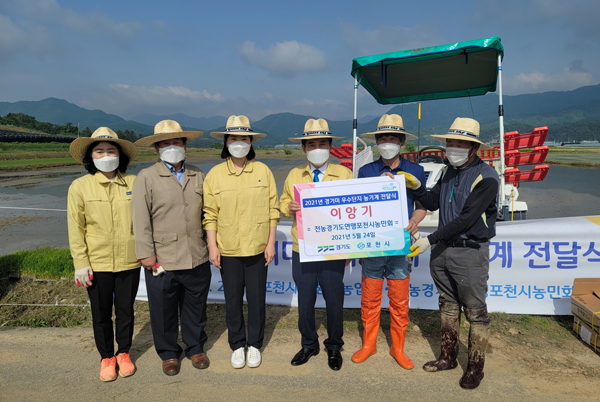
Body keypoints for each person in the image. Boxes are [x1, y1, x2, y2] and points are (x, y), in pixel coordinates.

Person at [407, 117, 499, 389]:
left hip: (469, 252)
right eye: (450, 143)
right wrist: (416, 187)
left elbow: (467, 219)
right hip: (443, 251)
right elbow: (433, 202)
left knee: (475, 312)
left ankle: (475, 367)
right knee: (447, 304)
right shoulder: (448, 171)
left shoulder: (487, 177)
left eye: (460, 143)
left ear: (473, 147)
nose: (453, 148)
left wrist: (429, 239)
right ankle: (447, 356)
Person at [131, 120, 210, 376]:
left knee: (195, 306)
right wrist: (146, 253)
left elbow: (208, 213)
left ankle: (195, 347)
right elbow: (140, 218)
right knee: (163, 310)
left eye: (176, 142)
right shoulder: (147, 177)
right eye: (165, 143)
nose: (172, 147)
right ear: (157, 149)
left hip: (196, 254)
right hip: (161, 258)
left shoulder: (198, 174)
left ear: (185, 145)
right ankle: (168, 353)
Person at [203, 115, 280, 369]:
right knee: (233, 299)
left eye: (244, 138)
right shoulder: (214, 175)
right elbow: (210, 214)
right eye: (234, 138)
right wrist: (212, 246)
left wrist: (270, 244)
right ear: (226, 142)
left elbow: (272, 209)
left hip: (258, 248)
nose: (239, 143)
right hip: (228, 248)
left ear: (251, 142)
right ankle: (237, 344)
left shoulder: (263, 171)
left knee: (257, 300)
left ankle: (255, 344)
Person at [352, 114, 427, 369]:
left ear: (401, 141)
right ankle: (368, 345)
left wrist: (415, 220)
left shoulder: (415, 171)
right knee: (370, 298)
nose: (387, 142)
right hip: (373, 244)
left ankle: (398, 348)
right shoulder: (366, 171)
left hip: (400, 244)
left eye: (392, 137)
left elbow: (422, 205)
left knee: (399, 299)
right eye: (382, 138)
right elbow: (356, 205)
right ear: (376, 142)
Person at [67, 127, 140, 382]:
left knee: (126, 310)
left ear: (120, 156)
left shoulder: (134, 183)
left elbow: (145, 222)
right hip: (96, 262)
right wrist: (80, 262)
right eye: (100, 150)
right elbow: (76, 228)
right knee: (100, 312)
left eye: (111, 150)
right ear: (91, 156)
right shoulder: (79, 187)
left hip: (129, 260)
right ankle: (107, 357)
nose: (106, 155)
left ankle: (124, 353)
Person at [280, 118, 353, 371]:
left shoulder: (344, 173)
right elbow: (282, 201)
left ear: (330, 146)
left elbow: (353, 211)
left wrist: (350, 248)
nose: (317, 147)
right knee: (305, 299)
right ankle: (309, 343)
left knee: (334, 300)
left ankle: (334, 346)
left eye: (322, 143)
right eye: (312, 144)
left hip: (334, 249)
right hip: (303, 248)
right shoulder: (294, 174)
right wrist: (287, 207)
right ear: (304, 148)